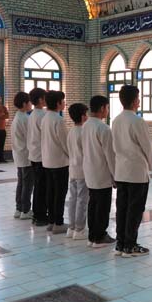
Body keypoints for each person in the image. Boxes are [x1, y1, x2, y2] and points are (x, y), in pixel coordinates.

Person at [112, 85, 152, 257]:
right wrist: (149, 165)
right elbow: (147, 146)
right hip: (136, 172)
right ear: (134, 100)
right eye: (138, 98)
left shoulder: (116, 120)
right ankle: (130, 245)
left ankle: (120, 244)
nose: (139, 101)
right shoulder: (137, 121)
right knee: (134, 210)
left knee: (122, 208)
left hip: (121, 170)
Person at [82, 95, 117, 248]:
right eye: (107, 107)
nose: (107, 111)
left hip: (89, 170)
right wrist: (115, 175)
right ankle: (100, 237)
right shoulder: (103, 128)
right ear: (102, 108)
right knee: (102, 206)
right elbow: (110, 155)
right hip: (101, 173)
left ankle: (92, 236)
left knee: (93, 204)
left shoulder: (86, 125)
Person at [41, 91, 69, 234]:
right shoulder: (58, 120)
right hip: (59, 162)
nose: (64, 103)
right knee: (60, 193)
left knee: (50, 192)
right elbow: (65, 143)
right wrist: (72, 156)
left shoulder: (45, 118)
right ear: (58, 103)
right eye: (63, 101)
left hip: (47, 161)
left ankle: (51, 221)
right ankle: (58, 222)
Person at [66, 103, 89, 241]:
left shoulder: (71, 131)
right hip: (82, 170)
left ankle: (71, 227)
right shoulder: (83, 132)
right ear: (82, 116)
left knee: (73, 199)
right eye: (86, 114)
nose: (87, 116)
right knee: (82, 200)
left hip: (73, 169)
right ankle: (79, 229)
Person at [27, 88, 48, 227]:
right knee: (42, 188)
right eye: (45, 97)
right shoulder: (42, 115)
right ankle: (40, 216)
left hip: (34, 154)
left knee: (38, 187)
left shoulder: (32, 114)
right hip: (41, 156)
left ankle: (37, 215)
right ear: (40, 100)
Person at [11, 92, 33, 220]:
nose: (31, 104)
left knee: (21, 183)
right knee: (27, 184)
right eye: (29, 102)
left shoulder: (17, 117)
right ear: (25, 104)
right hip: (25, 155)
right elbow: (30, 138)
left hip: (19, 154)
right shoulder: (25, 118)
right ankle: (25, 210)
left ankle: (18, 209)